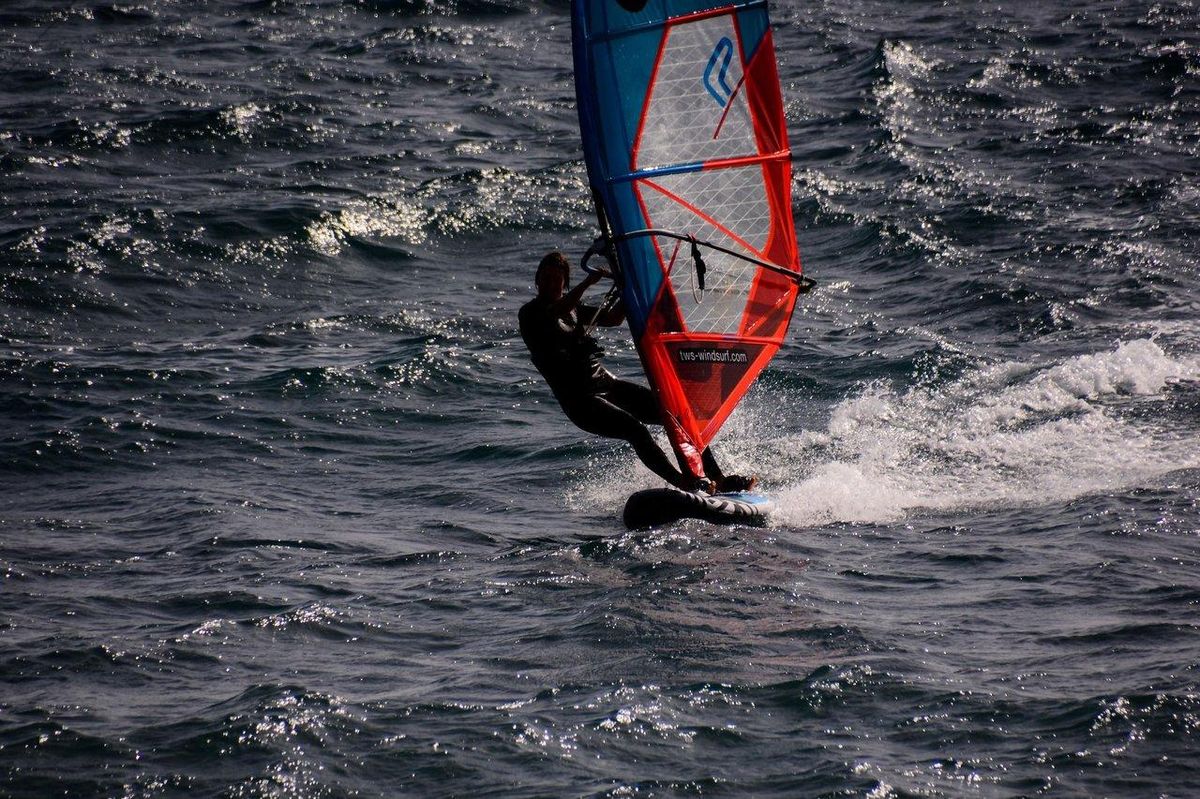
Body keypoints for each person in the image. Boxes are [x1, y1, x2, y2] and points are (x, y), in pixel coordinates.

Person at [518, 251, 755, 494]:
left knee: (676, 413)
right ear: (537, 281)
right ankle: (685, 483)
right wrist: (589, 282)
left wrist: (629, 284)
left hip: (605, 383)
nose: (549, 285)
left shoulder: (574, 309)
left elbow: (613, 318)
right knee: (635, 430)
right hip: (580, 400)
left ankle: (718, 478)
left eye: (556, 280)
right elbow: (554, 313)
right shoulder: (530, 314)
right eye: (545, 279)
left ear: (564, 283)